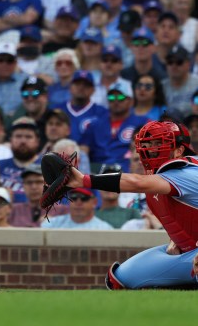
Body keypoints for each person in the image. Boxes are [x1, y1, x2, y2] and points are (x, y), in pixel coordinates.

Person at [64, 120, 198, 289]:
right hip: (188, 250)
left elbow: (137, 183)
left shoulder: (184, 171)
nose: (152, 149)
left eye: (159, 144)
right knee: (120, 279)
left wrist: (83, 180)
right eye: (148, 144)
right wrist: (175, 239)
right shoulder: (160, 177)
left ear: (179, 150)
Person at [95, 164, 142, 228]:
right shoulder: (90, 215)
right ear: (98, 186)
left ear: (122, 186)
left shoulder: (132, 213)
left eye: (115, 181)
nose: (110, 185)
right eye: (105, 181)